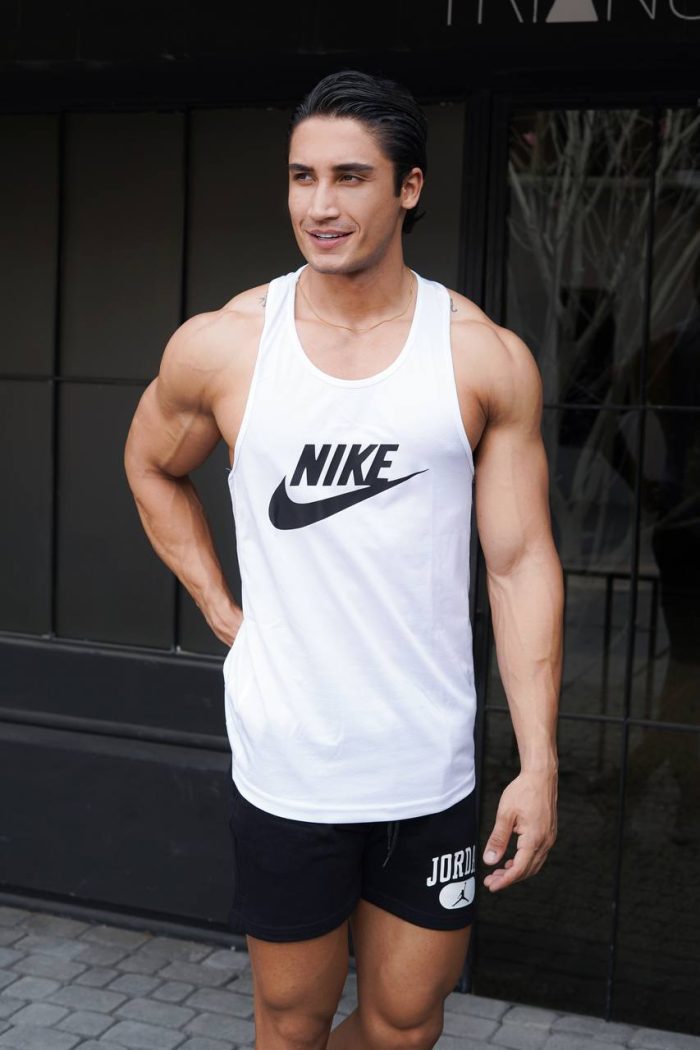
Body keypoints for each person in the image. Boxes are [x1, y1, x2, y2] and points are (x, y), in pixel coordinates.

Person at [124, 69, 562, 1050]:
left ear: (409, 187)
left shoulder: (480, 357)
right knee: (290, 1025)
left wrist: (538, 764)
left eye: (350, 177)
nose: (319, 205)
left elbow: (520, 563)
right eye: (302, 177)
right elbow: (150, 465)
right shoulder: (227, 346)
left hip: (429, 765)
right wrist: (220, 608)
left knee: (406, 1026)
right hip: (293, 764)